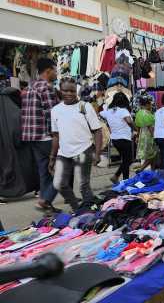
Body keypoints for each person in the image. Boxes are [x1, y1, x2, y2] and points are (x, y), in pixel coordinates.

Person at [49, 78, 103, 211]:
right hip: (64, 153)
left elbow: (97, 131)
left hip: (83, 150)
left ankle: (91, 211)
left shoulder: (85, 107)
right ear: (60, 91)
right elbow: (56, 136)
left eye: (72, 91)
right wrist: (52, 157)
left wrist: (97, 153)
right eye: (65, 90)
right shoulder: (55, 110)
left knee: (83, 185)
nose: (69, 93)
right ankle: (77, 210)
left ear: (76, 91)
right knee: (59, 183)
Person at [21, 58, 60, 213]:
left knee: (44, 172)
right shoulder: (46, 88)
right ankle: (45, 200)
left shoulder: (30, 87)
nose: (57, 73)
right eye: (55, 70)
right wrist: (59, 137)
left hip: (32, 136)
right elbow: (53, 115)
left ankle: (46, 204)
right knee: (63, 170)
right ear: (48, 71)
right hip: (46, 137)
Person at [100, 92, 134, 183]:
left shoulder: (109, 111)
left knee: (125, 160)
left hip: (115, 139)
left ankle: (124, 180)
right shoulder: (123, 111)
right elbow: (129, 121)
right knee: (129, 160)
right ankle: (118, 176)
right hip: (124, 138)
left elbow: (100, 113)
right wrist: (134, 129)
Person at [134, 93, 158, 172]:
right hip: (148, 136)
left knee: (152, 154)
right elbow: (150, 127)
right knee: (151, 155)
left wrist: (137, 136)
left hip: (141, 135)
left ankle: (153, 170)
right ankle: (142, 168)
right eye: (150, 104)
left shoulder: (138, 113)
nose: (151, 106)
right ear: (147, 104)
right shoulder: (148, 114)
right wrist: (154, 137)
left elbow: (137, 127)